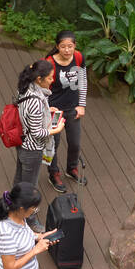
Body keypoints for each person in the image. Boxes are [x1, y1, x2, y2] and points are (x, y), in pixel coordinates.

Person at [13, 60, 65, 205]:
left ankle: (12, 205)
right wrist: (56, 129)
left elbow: (29, 115)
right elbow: (37, 132)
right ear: (39, 79)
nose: (52, 80)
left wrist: (47, 111)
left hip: (22, 143)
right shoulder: (36, 101)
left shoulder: (25, 89)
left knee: (19, 179)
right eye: (50, 77)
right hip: (32, 149)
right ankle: (29, 218)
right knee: (30, 187)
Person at [45, 30, 88, 192]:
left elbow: (83, 81)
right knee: (53, 144)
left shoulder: (78, 57)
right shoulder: (49, 63)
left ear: (75, 46)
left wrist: (81, 105)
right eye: (63, 47)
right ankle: (53, 173)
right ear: (57, 47)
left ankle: (72, 169)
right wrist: (46, 108)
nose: (67, 50)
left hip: (73, 108)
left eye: (70, 46)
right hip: (53, 110)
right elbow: (41, 88)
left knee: (75, 143)